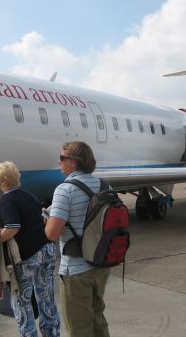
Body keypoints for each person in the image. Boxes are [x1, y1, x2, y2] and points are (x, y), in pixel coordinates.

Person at [45, 141, 111, 337]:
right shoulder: (105, 185)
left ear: (74, 163)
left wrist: (47, 220)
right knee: (98, 319)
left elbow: (52, 234)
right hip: (101, 263)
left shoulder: (65, 190)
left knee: (79, 329)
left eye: (62, 158)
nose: (59, 163)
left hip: (76, 270)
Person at [0, 161, 60, 337]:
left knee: (22, 302)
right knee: (46, 297)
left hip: (27, 257)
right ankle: (52, 333)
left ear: (1, 180)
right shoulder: (28, 195)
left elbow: (13, 227)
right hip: (46, 250)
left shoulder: (7, 199)